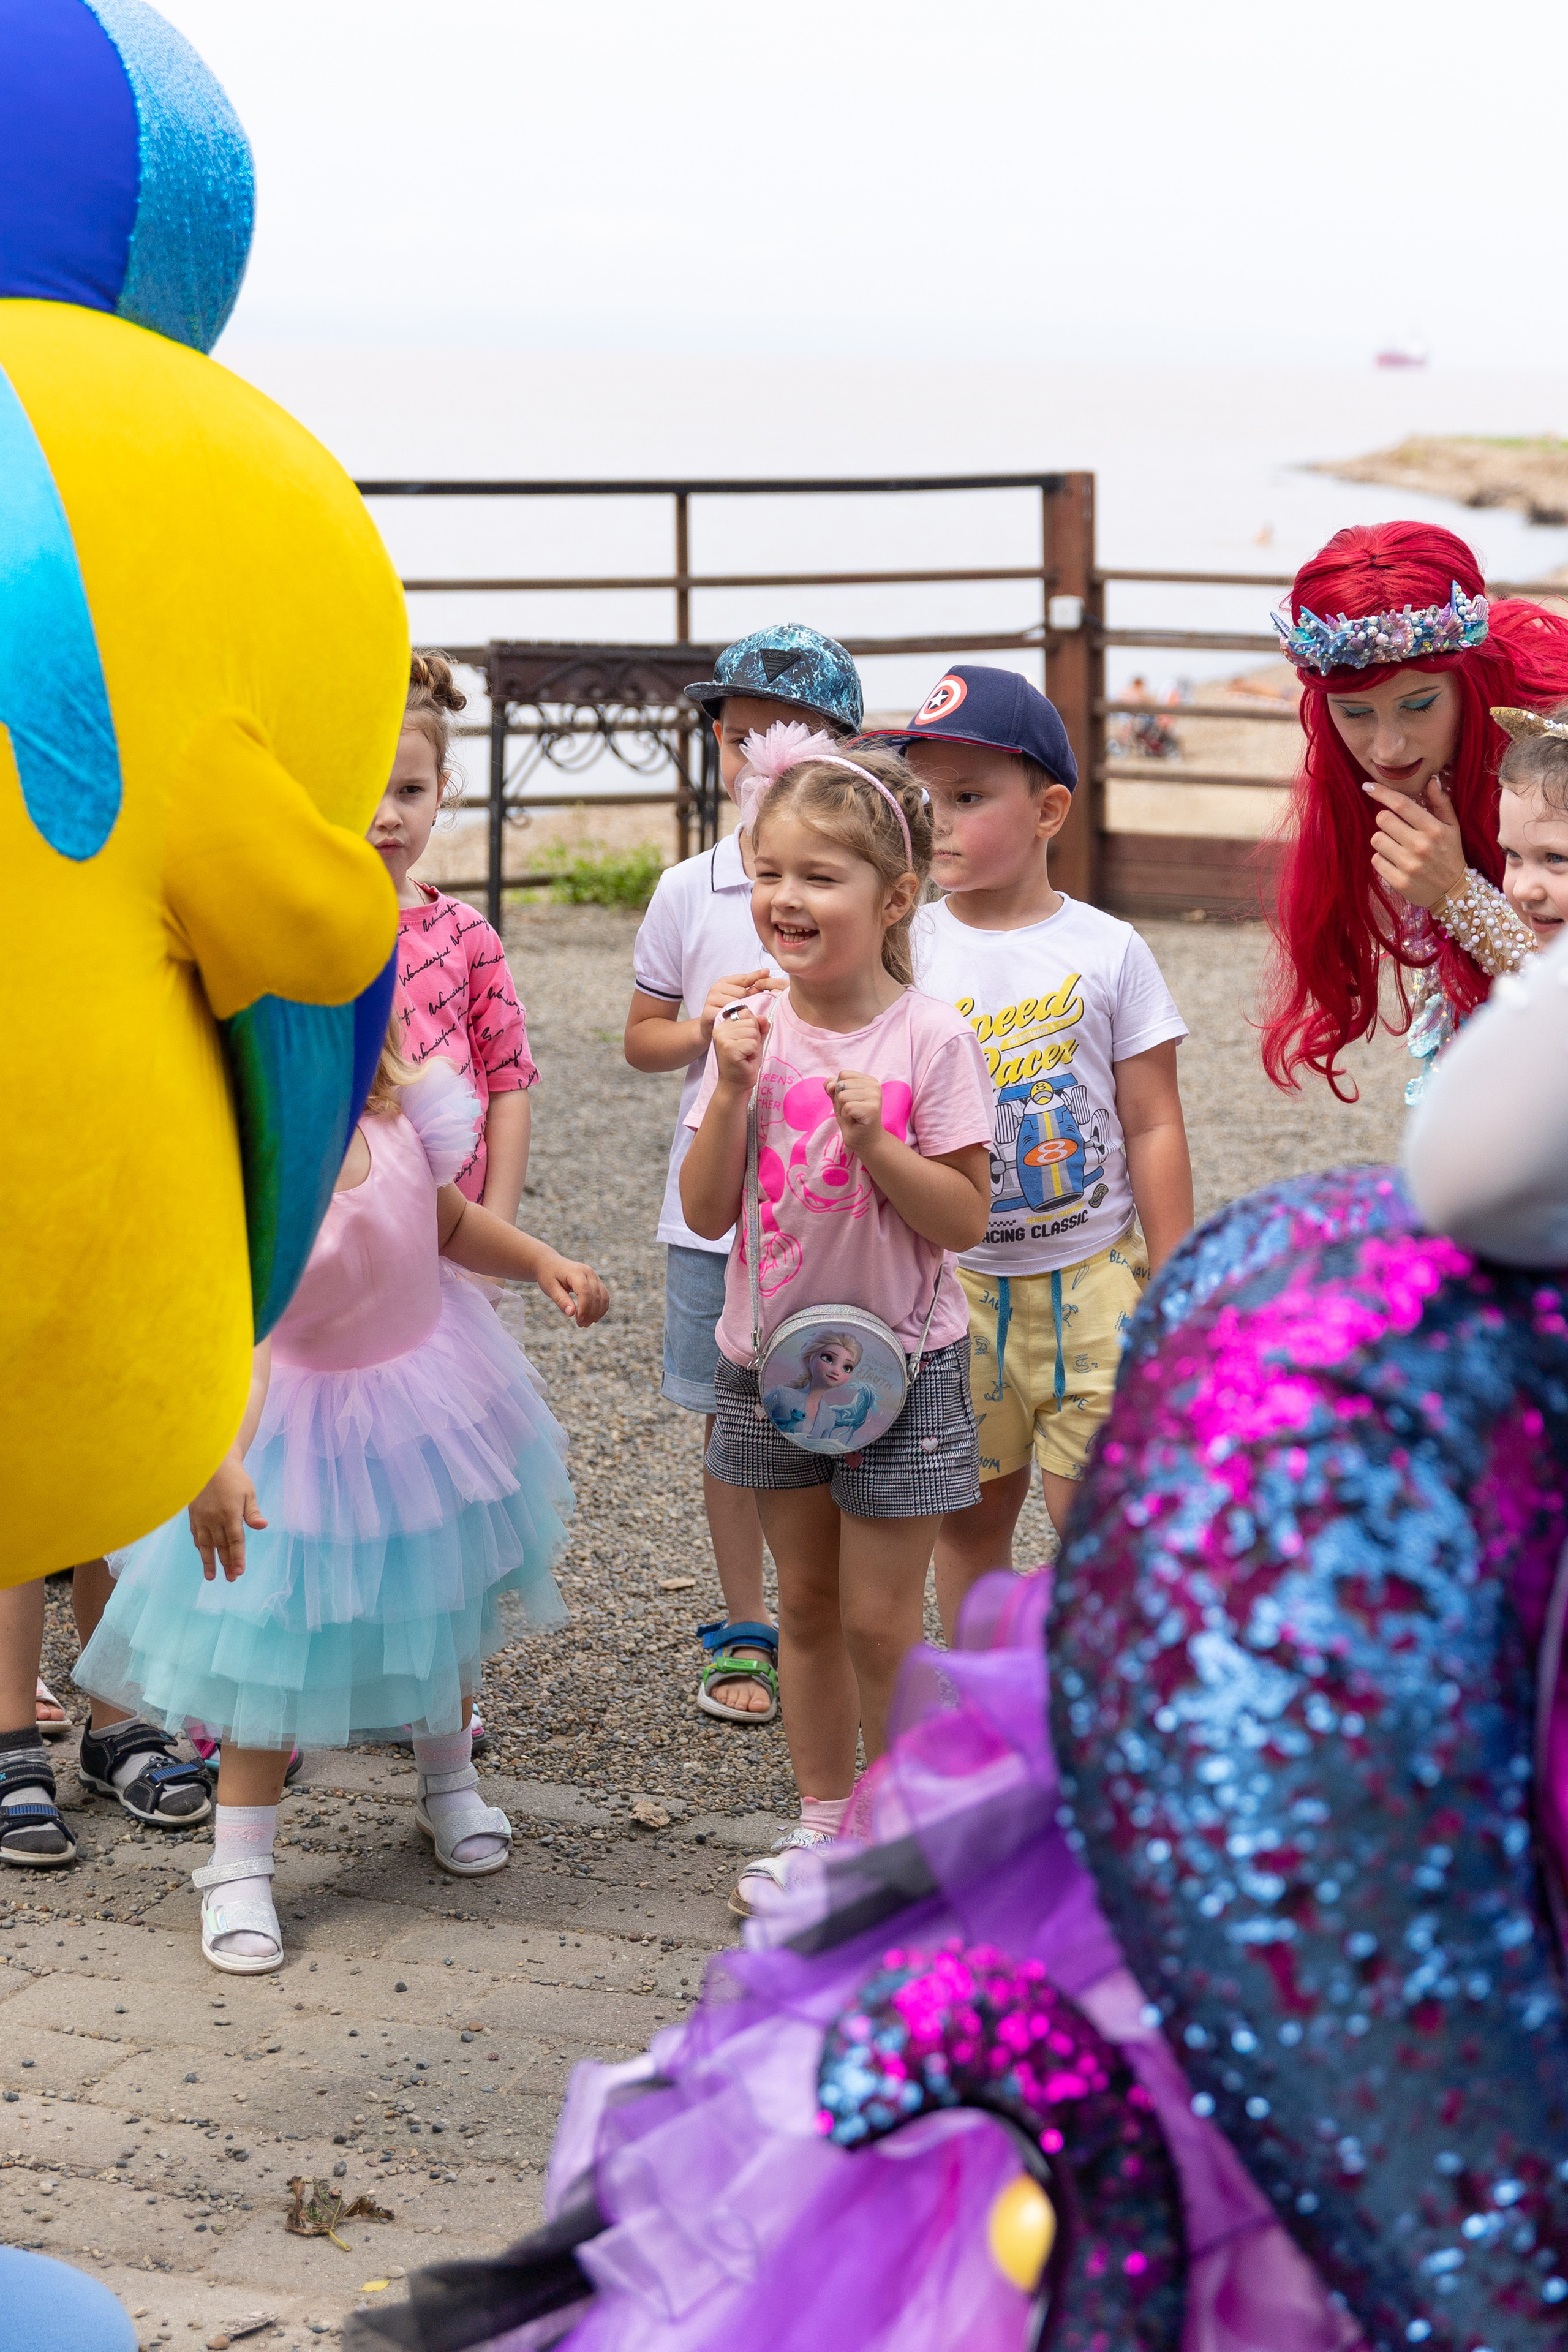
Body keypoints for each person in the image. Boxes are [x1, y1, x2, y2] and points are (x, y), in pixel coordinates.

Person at [74, 1020, 607, 1975]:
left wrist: (535, 1260)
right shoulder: (257, 1177)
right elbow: (247, 1342)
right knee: (269, 1659)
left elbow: (446, 1224)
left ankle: (449, 1781)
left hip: (428, 1401)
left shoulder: (401, 1117)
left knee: (442, 1600)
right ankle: (238, 1865)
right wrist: (223, 1456)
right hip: (300, 1442)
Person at [679, 724, 992, 1914]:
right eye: (767, 873)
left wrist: (878, 1144)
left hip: (903, 1369)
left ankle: (901, 1828)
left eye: (818, 875)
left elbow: (962, 1218)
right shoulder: (751, 1027)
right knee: (802, 1607)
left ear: (895, 893)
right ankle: (821, 1826)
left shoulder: (930, 1038)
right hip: (766, 1364)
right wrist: (728, 1085)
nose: (784, 898)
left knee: (877, 1620)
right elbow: (708, 1212)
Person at [875, 666, 1191, 1626]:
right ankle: (982, 1710)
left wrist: (1176, 1282)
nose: (936, 824)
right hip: (950, 1288)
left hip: (1094, 1279)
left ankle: (1097, 1699)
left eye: (968, 798)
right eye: (922, 799)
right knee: (970, 1521)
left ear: (1049, 808)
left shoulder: (1107, 949)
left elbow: (1153, 1121)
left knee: (1093, 1515)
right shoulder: (902, 948)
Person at [624, 624, 864, 1727]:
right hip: (711, 1209)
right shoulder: (692, 886)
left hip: (842, 1206)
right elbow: (641, 1040)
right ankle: (743, 1624)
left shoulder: (875, 883)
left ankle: (844, 1615)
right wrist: (707, 1021)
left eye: (786, 731)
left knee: (853, 1404)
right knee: (730, 1422)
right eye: (736, 734)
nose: (754, 753)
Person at [1259, 520, 1568, 1103]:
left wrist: (1457, 896)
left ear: (1468, 678)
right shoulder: (1406, 769)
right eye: (1353, 714)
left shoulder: (1556, 751)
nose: (1387, 749)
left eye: (1418, 704)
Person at [374, 652, 538, 1213]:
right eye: (366, 788)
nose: (388, 814)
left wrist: (499, 1233)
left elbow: (508, 1083)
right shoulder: (306, 933)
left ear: (441, 790)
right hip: (352, 1225)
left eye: (410, 791)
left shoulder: (468, 935)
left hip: (462, 1239)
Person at [763, 1332, 877, 1450]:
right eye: (828, 1359)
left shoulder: (829, 1416)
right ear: (808, 1359)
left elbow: (822, 1449)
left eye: (846, 1368)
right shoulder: (782, 1394)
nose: (836, 1371)